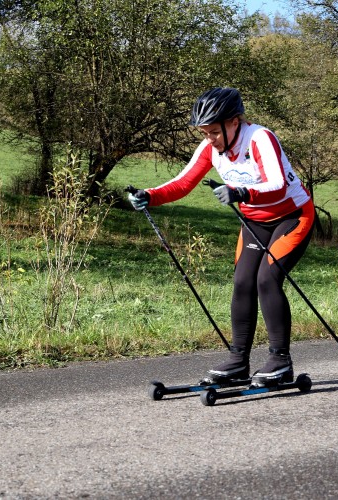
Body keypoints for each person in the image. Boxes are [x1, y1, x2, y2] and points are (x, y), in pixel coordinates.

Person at [128, 87, 315, 387]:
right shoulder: (210, 149)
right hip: (255, 221)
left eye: (213, 131)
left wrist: (241, 192)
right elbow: (184, 182)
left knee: (266, 279)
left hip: (293, 216)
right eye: (204, 133)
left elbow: (278, 185)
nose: (209, 139)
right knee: (242, 282)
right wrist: (150, 196)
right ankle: (239, 361)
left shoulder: (259, 138)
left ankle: (280, 361)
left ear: (234, 122)